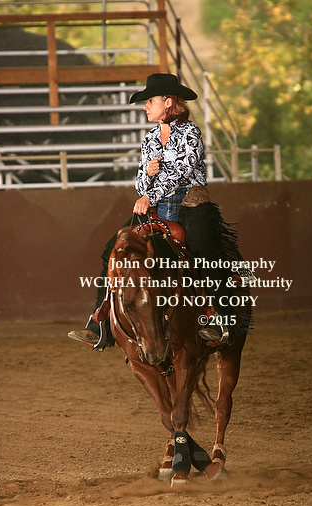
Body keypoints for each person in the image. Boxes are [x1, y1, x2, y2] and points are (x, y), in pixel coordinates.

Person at [68, 73, 246, 348]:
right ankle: (99, 322)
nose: (145, 106)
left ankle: (219, 319)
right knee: (111, 250)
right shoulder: (150, 138)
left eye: (150, 101)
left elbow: (181, 173)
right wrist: (148, 177)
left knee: (205, 251)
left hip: (190, 205)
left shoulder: (191, 134)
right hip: (157, 207)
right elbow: (140, 180)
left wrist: (149, 193)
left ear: (168, 102)